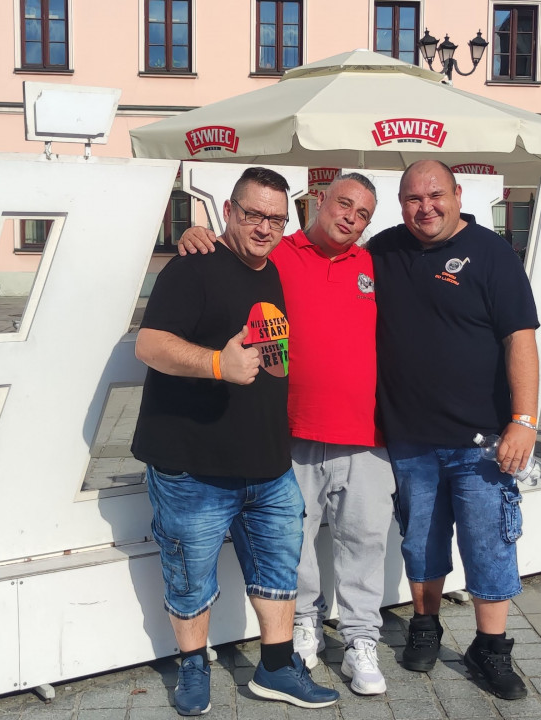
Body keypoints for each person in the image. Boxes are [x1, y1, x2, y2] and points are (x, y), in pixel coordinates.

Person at [132, 167, 339, 715]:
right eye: (253, 214)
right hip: (192, 464)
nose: (265, 227)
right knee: (190, 577)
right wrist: (216, 364)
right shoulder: (191, 267)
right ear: (228, 210)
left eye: (277, 218)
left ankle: (276, 667)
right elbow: (149, 345)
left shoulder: (276, 271)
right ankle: (193, 665)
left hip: (267, 462)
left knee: (279, 570)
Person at [177, 173, 394, 695]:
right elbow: (232, 254)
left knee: (365, 541)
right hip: (293, 429)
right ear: (318, 201)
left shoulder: (375, 263)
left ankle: (361, 639)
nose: (351, 218)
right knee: (292, 544)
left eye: (363, 214)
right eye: (343, 204)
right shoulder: (277, 253)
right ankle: (304, 625)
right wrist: (195, 233)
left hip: (366, 432)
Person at [367, 159, 539, 701]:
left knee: (489, 545)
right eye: (414, 199)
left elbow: (520, 339)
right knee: (421, 540)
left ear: (458, 194)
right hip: (410, 436)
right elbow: (317, 261)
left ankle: (491, 647)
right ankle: (426, 625)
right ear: (401, 204)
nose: (426, 208)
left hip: (482, 442)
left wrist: (524, 420)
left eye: (435, 195)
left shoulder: (492, 254)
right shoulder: (382, 250)